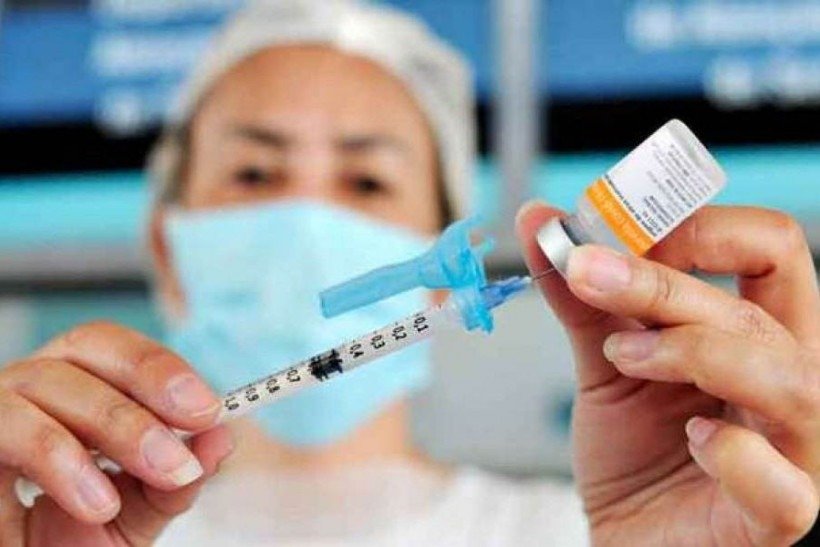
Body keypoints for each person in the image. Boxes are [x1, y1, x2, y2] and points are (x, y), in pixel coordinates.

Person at [0, 1, 818, 545]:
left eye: (366, 181)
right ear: (167, 245)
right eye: (253, 172)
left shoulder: (577, 533)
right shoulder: (60, 525)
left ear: (440, 269)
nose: (306, 218)